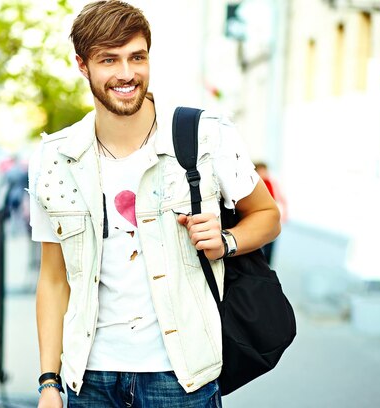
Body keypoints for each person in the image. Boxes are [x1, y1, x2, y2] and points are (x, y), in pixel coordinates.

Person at [27, 2, 281, 407]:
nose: (126, 74)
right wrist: (49, 382)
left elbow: (267, 216)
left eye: (137, 57)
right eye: (109, 60)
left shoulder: (205, 137)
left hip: (180, 379)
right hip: (88, 379)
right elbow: (53, 280)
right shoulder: (55, 158)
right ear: (82, 65)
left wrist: (226, 241)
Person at [254, 162, 287, 265]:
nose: (264, 173)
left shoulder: (272, 183)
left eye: (265, 171)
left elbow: (280, 198)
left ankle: (266, 266)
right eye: (261, 171)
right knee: (259, 246)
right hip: (259, 220)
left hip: (271, 219)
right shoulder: (254, 184)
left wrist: (284, 213)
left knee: (270, 245)